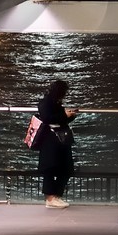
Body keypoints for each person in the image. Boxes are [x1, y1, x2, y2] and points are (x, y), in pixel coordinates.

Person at [36, 79, 78, 208]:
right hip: (51, 139)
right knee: (50, 168)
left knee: (66, 168)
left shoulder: (54, 102)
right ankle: (50, 197)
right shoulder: (46, 103)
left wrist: (69, 116)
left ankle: (56, 196)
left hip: (61, 139)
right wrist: (65, 114)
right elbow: (48, 118)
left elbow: (58, 120)